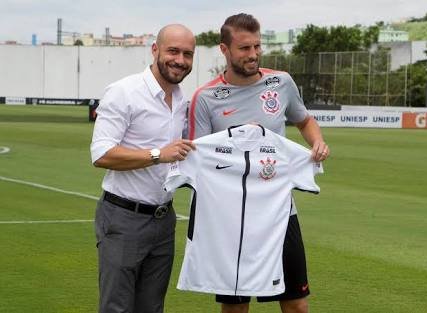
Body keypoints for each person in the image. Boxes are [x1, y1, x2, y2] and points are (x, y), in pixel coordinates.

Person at [188, 13, 329, 313]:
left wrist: (316, 141)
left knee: (296, 305)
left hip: (279, 211)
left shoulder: (281, 82)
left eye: (257, 46)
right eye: (244, 48)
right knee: (236, 309)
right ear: (224, 50)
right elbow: (197, 157)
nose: (253, 54)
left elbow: (304, 120)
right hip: (232, 218)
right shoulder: (205, 98)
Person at [90, 24, 196, 313]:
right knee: (117, 308)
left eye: (188, 54)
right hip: (124, 218)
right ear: (155, 50)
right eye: (173, 51)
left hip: (164, 219)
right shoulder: (124, 92)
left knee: (152, 308)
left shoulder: (183, 99)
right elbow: (101, 154)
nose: (180, 60)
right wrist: (157, 155)